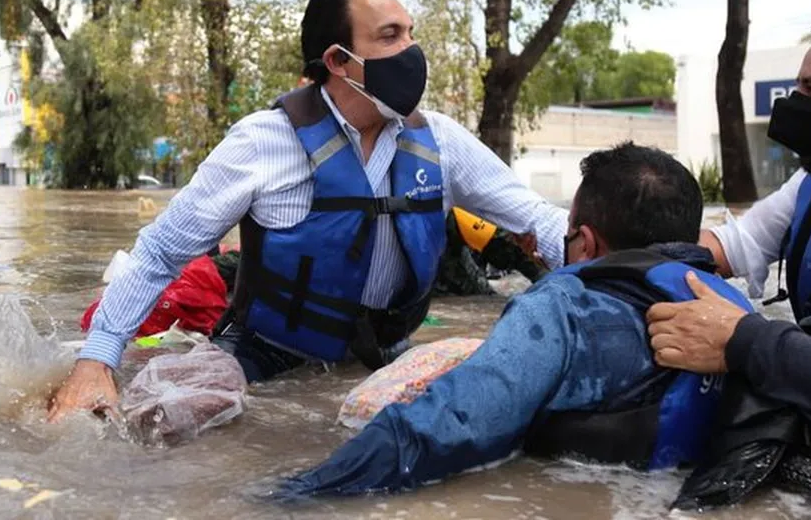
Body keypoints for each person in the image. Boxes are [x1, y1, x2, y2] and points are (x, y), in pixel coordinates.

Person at [46, 0, 569, 423]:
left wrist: (637, 274)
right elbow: (160, 254)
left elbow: (540, 220)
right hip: (264, 354)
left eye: (411, 34)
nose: (411, 52)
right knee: (173, 414)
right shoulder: (261, 142)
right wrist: (96, 360)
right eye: (390, 36)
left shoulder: (441, 142)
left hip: (384, 353)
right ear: (339, 61)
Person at [274, 142, 755, 497]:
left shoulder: (565, 307)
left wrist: (298, 491)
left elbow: (451, 421)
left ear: (584, 243)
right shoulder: (732, 309)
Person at [648, 16, 811, 512]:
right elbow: (731, 245)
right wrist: (635, 253)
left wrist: (740, 339)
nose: (795, 105)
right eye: (796, 87)